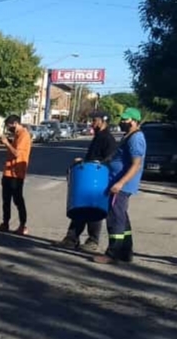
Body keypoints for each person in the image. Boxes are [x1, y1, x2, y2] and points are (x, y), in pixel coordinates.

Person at [57, 110, 118, 252]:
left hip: (97, 178)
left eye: (95, 120)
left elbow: (109, 159)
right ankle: (71, 239)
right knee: (81, 208)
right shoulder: (98, 136)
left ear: (103, 121)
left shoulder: (107, 138)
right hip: (88, 176)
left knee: (94, 209)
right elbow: (93, 157)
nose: (92, 123)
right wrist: (83, 161)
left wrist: (94, 164)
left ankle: (92, 240)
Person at [94, 107, 147, 265]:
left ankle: (113, 253)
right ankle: (126, 251)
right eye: (122, 119)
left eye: (126, 119)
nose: (122, 122)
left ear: (134, 121)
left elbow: (136, 164)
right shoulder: (128, 136)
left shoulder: (135, 138)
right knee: (122, 218)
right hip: (118, 182)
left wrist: (120, 183)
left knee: (115, 218)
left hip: (122, 185)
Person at [0, 115, 32, 235]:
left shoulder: (24, 134)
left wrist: (7, 143)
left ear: (16, 123)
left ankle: (23, 225)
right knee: (5, 199)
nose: (8, 129)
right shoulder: (16, 135)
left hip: (17, 173)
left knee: (18, 200)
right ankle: (5, 223)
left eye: (9, 126)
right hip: (8, 172)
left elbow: (17, 153)